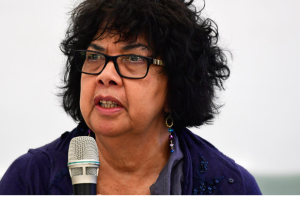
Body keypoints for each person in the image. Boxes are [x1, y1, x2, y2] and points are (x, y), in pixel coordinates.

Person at [0, 0, 262, 196]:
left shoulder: (231, 186)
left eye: (133, 59)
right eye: (94, 56)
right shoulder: (29, 180)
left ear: (175, 85)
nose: (106, 74)